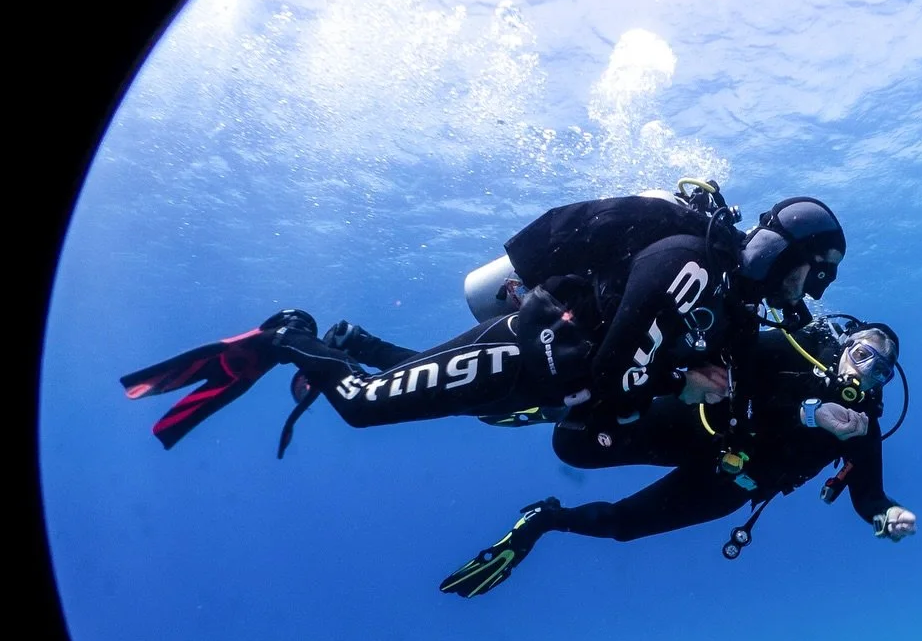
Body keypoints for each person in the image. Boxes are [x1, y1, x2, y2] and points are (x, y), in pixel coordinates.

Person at [121, 180, 848, 454]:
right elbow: (609, 371)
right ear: (784, 252)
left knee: (460, 400)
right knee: (367, 408)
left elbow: (642, 367)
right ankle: (291, 335)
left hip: (539, 370)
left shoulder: (726, 304)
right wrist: (673, 389)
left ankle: (354, 342)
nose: (805, 290)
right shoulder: (688, 259)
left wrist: (684, 383)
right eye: (809, 272)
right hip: (525, 350)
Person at [434, 314, 919, 597]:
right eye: (863, 355)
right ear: (843, 345)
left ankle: (542, 521)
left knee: (624, 526)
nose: (867, 373)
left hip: (732, 484)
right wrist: (808, 413)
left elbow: (868, 496)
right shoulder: (789, 352)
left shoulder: (862, 427)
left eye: (881, 370)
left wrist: (888, 515)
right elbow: (727, 365)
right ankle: (550, 402)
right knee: (574, 446)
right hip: (694, 427)